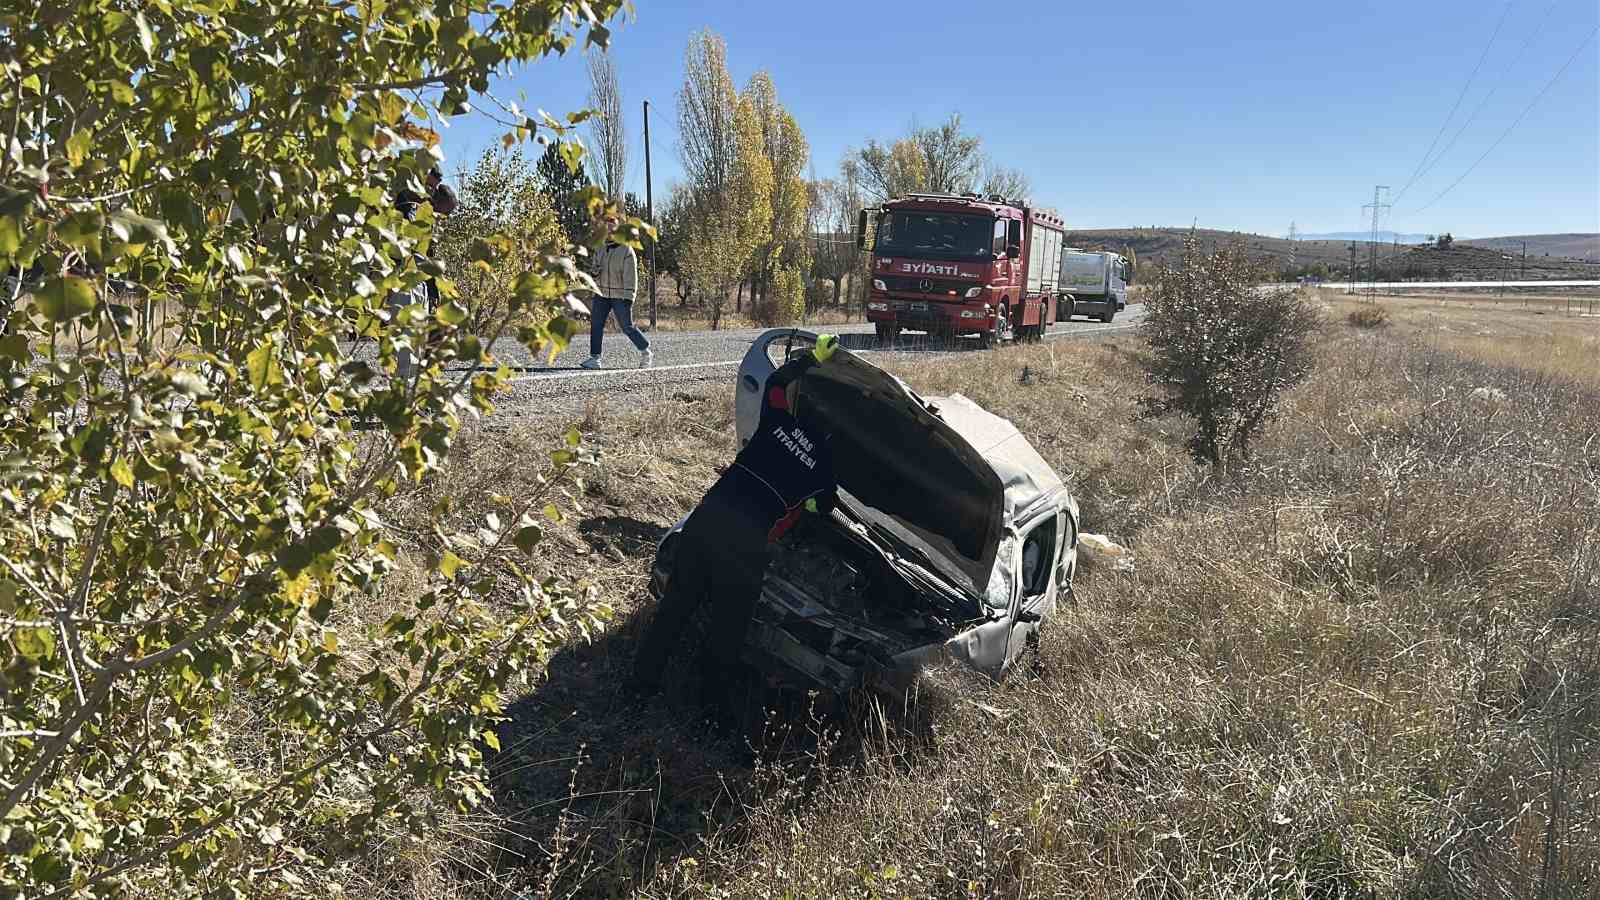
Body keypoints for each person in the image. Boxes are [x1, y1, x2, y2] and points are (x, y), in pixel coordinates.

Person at [630, 335, 842, 730]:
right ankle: (710, 715)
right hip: (746, 544)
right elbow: (822, 506)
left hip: (708, 518)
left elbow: (776, 384)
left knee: (674, 609)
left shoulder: (777, 419)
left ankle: (636, 692)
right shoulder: (824, 468)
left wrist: (811, 359)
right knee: (726, 634)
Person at [580, 238, 652, 369]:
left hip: (621, 295)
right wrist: (594, 273)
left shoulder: (626, 250)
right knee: (596, 324)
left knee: (626, 326)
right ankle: (595, 358)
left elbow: (631, 276)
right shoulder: (600, 248)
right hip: (601, 294)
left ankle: (646, 352)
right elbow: (594, 270)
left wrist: (629, 296)